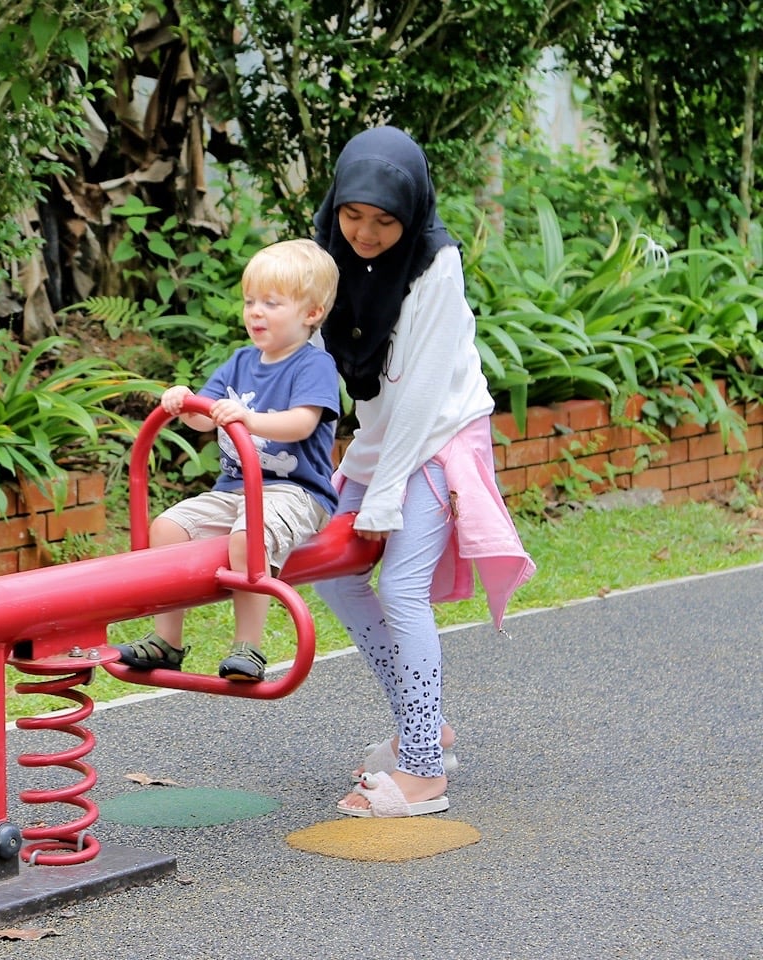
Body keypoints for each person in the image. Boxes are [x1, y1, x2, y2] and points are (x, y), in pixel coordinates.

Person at [310, 126, 536, 818]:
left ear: (412, 214)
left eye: (385, 220)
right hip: (381, 440)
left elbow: (422, 390)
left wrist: (382, 495)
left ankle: (420, 770)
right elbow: (320, 364)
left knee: (402, 587)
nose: (366, 233)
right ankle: (423, 725)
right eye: (353, 215)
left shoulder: (436, 264)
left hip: (439, 438)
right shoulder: (326, 252)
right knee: (337, 576)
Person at [112, 239, 342, 682]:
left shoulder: (313, 365)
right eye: (250, 301)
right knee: (167, 528)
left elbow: (302, 423)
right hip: (234, 489)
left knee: (246, 537)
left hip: (296, 492)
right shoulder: (239, 362)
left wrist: (250, 419)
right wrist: (184, 401)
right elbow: (205, 418)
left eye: (271, 303)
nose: (255, 311)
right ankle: (167, 640)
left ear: (311, 313)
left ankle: (249, 646)